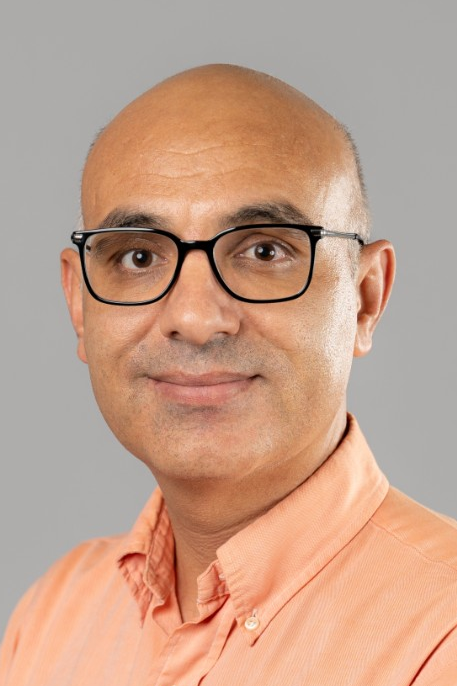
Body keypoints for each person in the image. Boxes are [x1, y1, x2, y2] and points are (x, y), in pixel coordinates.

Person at [1, 63, 456, 686]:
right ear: (79, 306)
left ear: (365, 299)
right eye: (138, 256)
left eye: (264, 251)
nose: (194, 319)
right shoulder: (53, 616)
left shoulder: (441, 634)